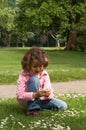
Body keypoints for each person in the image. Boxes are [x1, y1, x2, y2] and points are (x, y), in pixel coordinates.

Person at [16, 47, 67, 116]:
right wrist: (36, 94)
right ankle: (32, 109)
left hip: (41, 99)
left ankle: (39, 108)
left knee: (63, 106)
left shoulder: (44, 73)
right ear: (28, 65)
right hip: (29, 100)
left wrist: (48, 94)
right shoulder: (24, 74)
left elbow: (49, 89)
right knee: (34, 79)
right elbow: (20, 95)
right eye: (35, 66)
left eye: (41, 66)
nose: (38, 69)